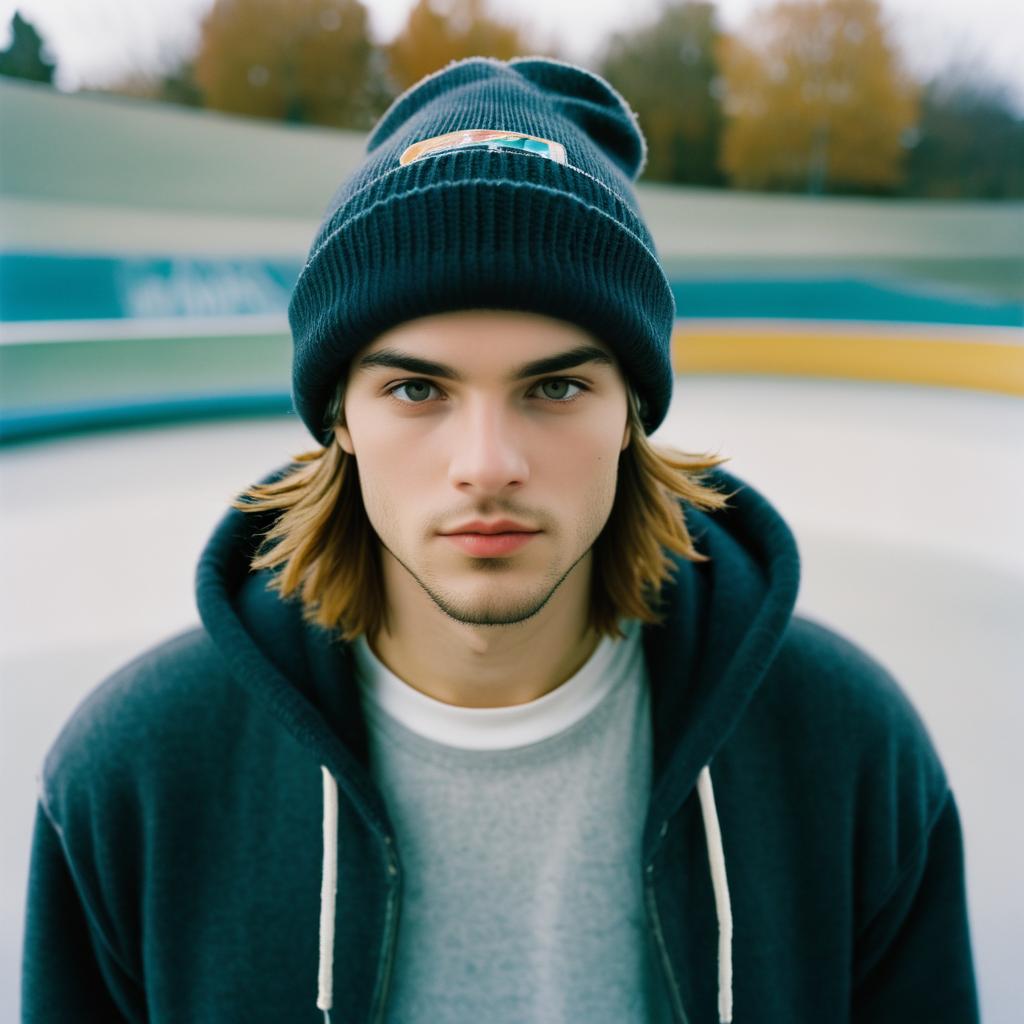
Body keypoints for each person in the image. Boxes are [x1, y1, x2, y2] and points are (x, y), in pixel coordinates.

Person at [21, 56, 978, 1024]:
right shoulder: (136, 769)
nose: (487, 463)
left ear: (630, 413)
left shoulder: (842, 741)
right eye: (416, 389)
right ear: (339, 418)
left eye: (555, 387)